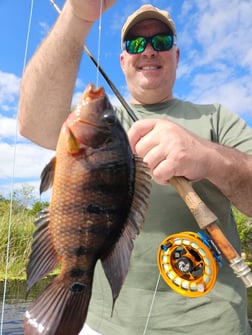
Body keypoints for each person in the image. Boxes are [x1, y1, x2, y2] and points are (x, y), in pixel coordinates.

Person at [18, 1, 252, 335]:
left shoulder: (216, 118)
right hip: (98, 323)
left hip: (212, 325)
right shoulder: (99, 128)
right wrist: (78, 15)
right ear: (123, 59)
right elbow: (33, 124)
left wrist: (208, 158)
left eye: (161, 42)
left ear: (177, 55)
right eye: (136, 44)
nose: (148, 51)